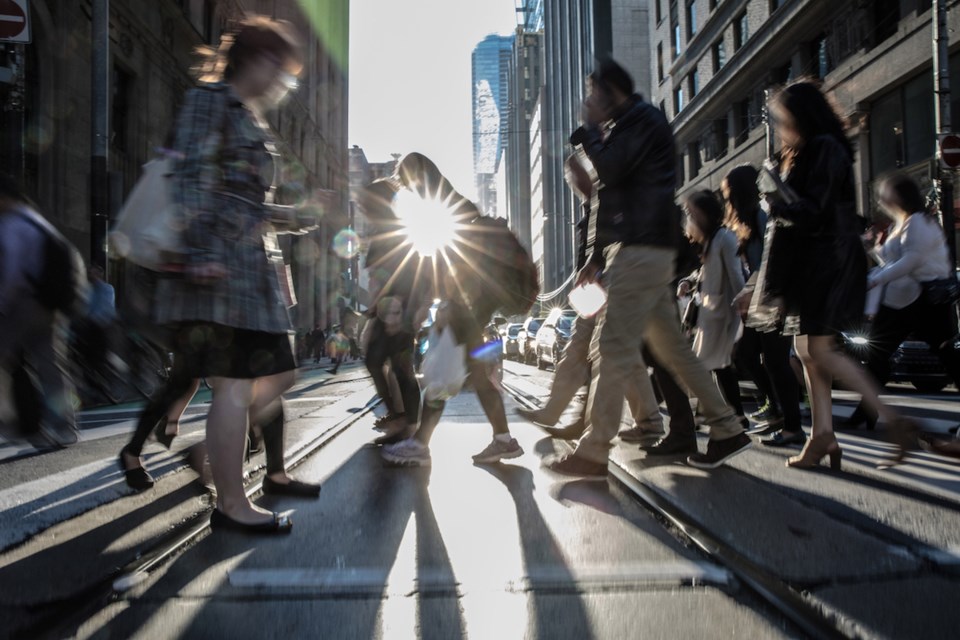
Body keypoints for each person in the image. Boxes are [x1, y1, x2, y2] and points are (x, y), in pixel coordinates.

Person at [153, 16, 326, 533]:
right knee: (234, 385)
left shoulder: (249, 118)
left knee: (280, 373)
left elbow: (247, 201)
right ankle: (231, 503)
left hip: (251, 269)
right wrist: (199, 249)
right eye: (281, 70)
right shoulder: (210, 103)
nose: (283, 83)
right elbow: (187, 178)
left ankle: (214, 451)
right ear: (258, 60)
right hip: (220, 269)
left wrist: (299, 218)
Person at [545, 58, 749, 479]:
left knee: (613, 348)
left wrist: (587, 132)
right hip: (641, 250)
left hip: (640, 251)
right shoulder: (629, 125)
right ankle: (726, 428)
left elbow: (610, 172)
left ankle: (594, 449)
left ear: (608, 92)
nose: (588, 101)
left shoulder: (639, 122)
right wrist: (597, 257)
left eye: (591, 93)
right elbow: (611, 196)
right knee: (672, 349)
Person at [753, 80, 915, 470]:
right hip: (816, 261)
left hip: (828, 260)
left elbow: (815, 210)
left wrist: (775, 203)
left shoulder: (824, 147)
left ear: (799, 116)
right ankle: (821, 436)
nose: (779, 127)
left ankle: (894, 421)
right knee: (808, 351)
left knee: (820, 350)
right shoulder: (811, 149)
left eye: (783, 119)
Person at [379, 153, 534, 467]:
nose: (408, 190)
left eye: (408, 183)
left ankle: (420, 444)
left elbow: (456, 256)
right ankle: (503, 439)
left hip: (469, 300)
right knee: (476, 373)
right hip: (479, 298)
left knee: (442, 372)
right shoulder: (449, 198)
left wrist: (447, 302)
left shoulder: (441, 203)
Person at [845, 172, 960, 428]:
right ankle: (866, 412)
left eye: (886, 192)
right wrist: (873, 248)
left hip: (924, 300)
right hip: (903, 301)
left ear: (899, 195)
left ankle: (866, 413)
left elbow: (912, 260)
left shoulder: (918, 221)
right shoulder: (903, 223)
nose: (881, 198)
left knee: (948, 357)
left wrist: (877, 279)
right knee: (878, 355)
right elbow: (896, 260)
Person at [0, 173, 86, 448]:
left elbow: (12, 273)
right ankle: (65, 427)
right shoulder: (37, 220)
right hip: (50, 305)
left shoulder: (12, 224)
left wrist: (2, 303)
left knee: (5, 359)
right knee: (51, 365)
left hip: (25, 303)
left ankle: (23, 425)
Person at [722, 166, 806, 447]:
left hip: (775, 296)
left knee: (775, 361)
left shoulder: (761, 216)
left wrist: (748, 292)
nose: (725, 198)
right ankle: (777, 409)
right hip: (763, 296)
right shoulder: (748, 221)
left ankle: (791, 424)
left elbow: (767, 264)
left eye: (727, 192)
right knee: (747, 355)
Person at [677, 190, 747, 426]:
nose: (689, 218)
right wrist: (689, 281)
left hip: (722, 314)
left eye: (691, 212)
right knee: (718, 366)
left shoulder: (724, 237)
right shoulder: (709, 240)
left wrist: (743, 305)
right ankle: (732, 414)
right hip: (711, 315)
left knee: (708, 365)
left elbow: (736, 274)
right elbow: (707, 273)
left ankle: (712, 414)